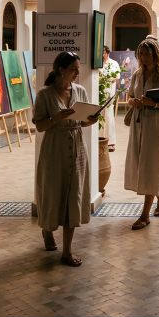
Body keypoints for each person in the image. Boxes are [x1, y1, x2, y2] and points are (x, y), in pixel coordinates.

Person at [32, 51, 98, 267]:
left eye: (78, 69)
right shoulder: (45, 95)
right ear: (61, 69)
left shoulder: (79, 91)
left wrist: (91, 119)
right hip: (55, 148)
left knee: (73, 195)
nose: (78, 73)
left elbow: (84, 122)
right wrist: (57, 117)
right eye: (74, 70)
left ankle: (67, 251)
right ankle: (47, 229)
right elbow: (40, 125)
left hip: (77, 146)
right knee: (52, 193)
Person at [124, 37, 159, 230]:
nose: (143, 58)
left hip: (154, 123)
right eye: (141, 54)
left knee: (150, 165)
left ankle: (145, 215)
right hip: (138, 123)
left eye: (146, 54)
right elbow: (130, 97)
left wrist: (151, 103)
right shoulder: (137, 75)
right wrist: (133, 102)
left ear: (154, 54)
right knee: (140, 163)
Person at [99, 45, 120, 152]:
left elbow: (116, 77)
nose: (102, 54)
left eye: (103, 52)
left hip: (109, 94)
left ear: (107, 53)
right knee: (99, 118)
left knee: (109, 116)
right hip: (99, 94)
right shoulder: (98, 64)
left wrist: (105, 78)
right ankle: (99, 140)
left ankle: (111, 142)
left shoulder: (114, 63)